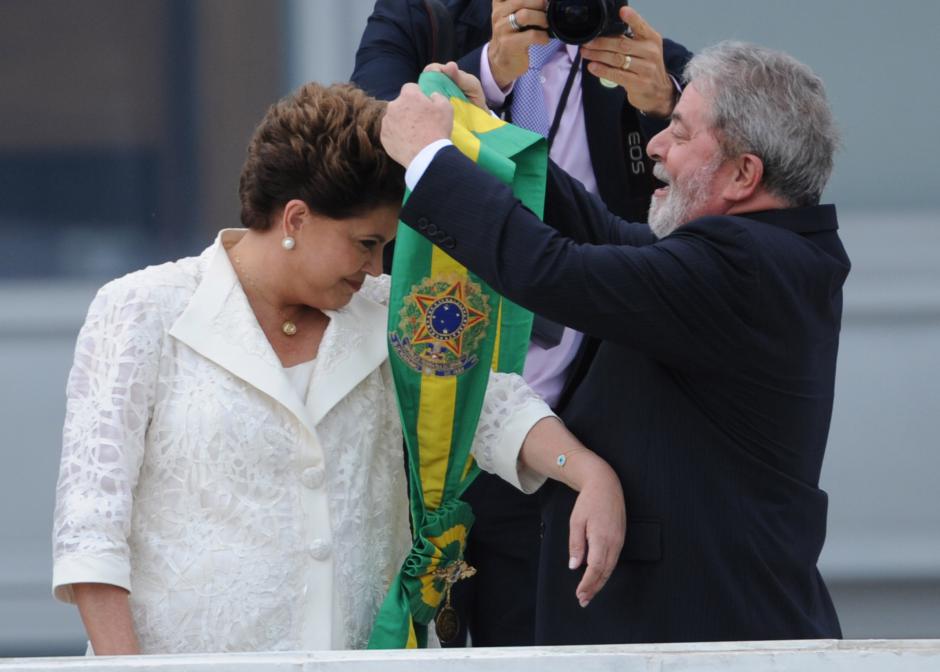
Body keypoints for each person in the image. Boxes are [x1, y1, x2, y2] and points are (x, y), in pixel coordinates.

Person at [51, 81, 626, 654]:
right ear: (296, 219)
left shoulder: (384, 312)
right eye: (366, 243)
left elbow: (491, 406)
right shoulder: (140, 308)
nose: (378, 268)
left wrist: (586, 472)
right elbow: (90, 533)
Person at [380, 41, 848, 644]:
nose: (654, 144)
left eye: (679, 132)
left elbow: (555, 272)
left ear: (742, 174)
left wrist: (429, 159)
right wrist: (489, 135)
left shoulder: (745, 265)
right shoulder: (761, 253)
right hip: (698, 621)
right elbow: (603, 236)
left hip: (705, 630)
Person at [352, 0, 691, 646]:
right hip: (430, 416)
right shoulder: (423, 17)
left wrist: (661, 109)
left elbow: (699, 225)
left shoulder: (634, 50)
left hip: (565, 438)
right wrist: (490, 76)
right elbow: (368, 123)